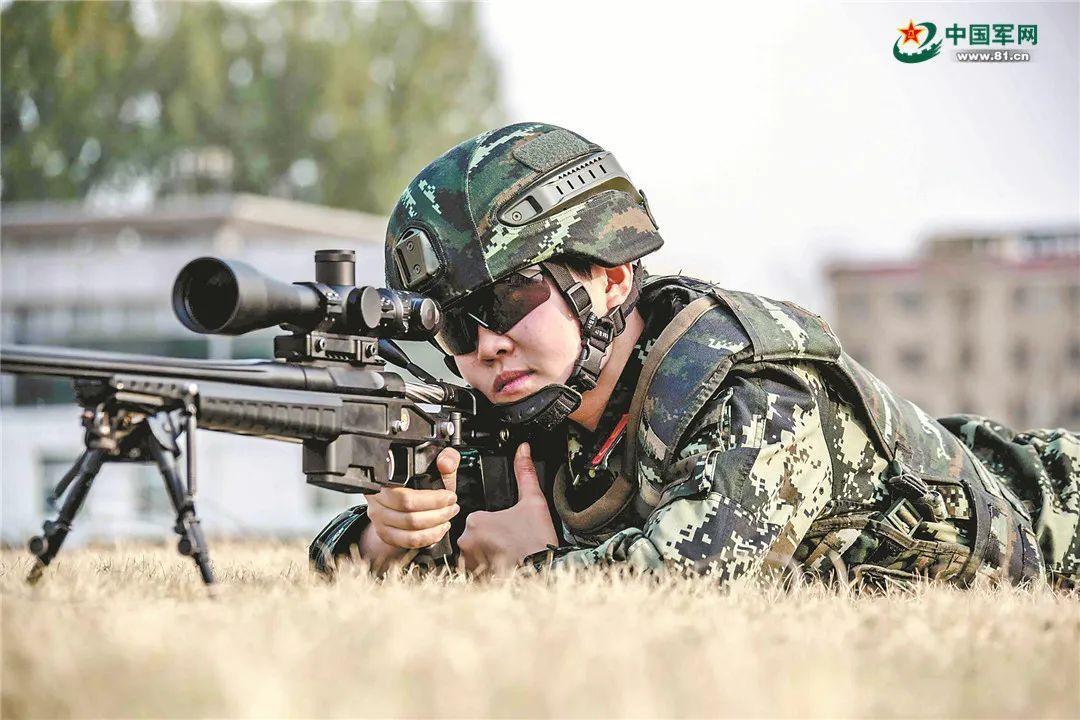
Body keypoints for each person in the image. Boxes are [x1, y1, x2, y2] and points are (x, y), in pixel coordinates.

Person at [310, 122, 1079, 589]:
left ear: (611, 279)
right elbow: (393, 558)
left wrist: (532, 568)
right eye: (454, 326)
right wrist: (388, 537)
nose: (486, 345)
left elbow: (691, 585)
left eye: (510, 301)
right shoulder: (537, 409)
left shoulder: (754, 391)